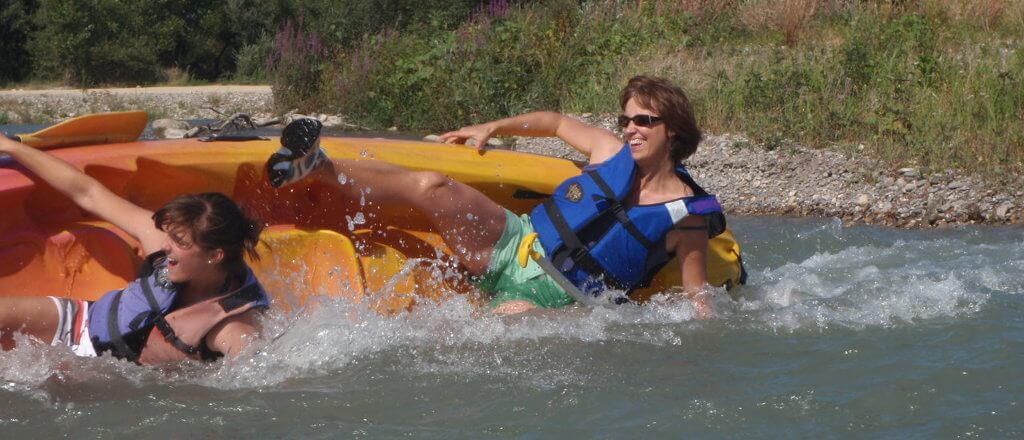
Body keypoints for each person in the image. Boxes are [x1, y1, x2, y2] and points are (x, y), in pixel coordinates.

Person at [267, 75, 726, 315]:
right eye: (627, 119)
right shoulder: (610, 152)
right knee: (433, 186)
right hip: (515, 243)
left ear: (674, 131)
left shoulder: (686, 217)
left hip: (562, 302)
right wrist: (492, 127)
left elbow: (695, 298)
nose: (630, 129)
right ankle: (317, 167)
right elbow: (556, 122)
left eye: (644, 121)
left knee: (505, 317)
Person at [0, 135, 270, 364]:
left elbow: (252, 390)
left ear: (214, 256)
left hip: (103, 373)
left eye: (179, 242)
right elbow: (88, 192)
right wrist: (12, 147)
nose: (165, 245)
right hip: (79, 321)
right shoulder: (176, 252)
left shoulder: (231, 328)